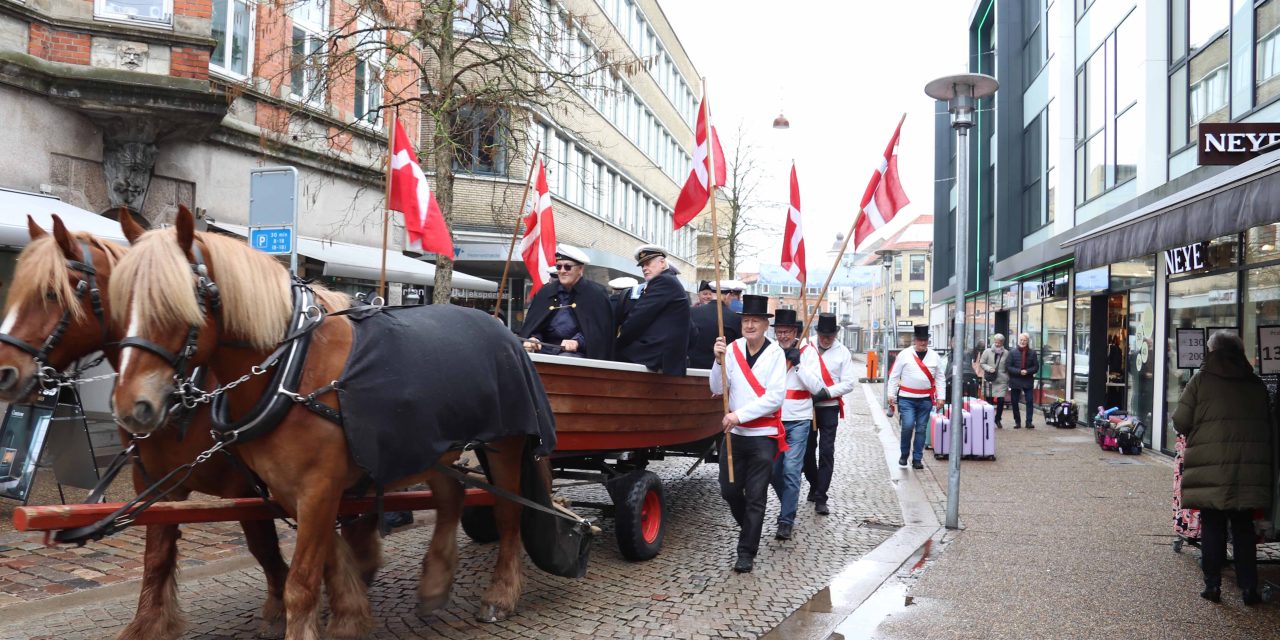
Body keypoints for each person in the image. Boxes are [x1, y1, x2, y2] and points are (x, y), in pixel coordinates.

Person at [1172, 331, 1273, 605]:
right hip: (1248, 470)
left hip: (1211, 469)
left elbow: (1181, 421)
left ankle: (1213, 586)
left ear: (1212, 351)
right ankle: (1249, 588)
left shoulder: (1200, 380)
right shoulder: (1255, 383)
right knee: (1243, 527)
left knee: (1213, 526)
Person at [710, 294, 786, 573]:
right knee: (729, 490)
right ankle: (750, 528)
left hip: (763, 437)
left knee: (756, 496)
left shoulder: (776, 354)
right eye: (745, 320)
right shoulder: (731, 349)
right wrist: (718, 362)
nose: (749, 325)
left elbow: (776, 397)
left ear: (766, 325)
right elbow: (717, 388)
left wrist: (738, 414)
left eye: (755, 320)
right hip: (735, 434)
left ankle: (746, 552)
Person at [767, 309, 823, 539]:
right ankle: (789, 504)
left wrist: (798, 365)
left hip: (799, 420)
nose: (782, 336)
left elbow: (816, 387)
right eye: (779, 331)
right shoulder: (770, 352)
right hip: (773, 419)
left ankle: (786, 520)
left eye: (786, 331)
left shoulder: (808, 353)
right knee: (773, 472)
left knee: (791, 470)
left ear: (795, 332)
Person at [802, 313, 856, 515]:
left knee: (826, 452)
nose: (826, 338)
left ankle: (821, 496)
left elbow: (849, 383)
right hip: (806, 406)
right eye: (823, 335)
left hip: (829, 407)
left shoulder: (843, 353)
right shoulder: (806, 348)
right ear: (817, 333)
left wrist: (826, 392)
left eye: (830, 335)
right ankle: (814, 483)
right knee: (806, 452)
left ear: (835, 334)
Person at [519, 245, 615, 359]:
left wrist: (577, 341)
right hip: (545, 351)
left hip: (579, 355)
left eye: (567, 267)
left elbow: (600, 332)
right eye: (558, 267)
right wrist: (534, 338)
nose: (562, 271)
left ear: (580, 269)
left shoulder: (596, 294)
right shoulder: (545, 292)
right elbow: (535, 325)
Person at [616, 244, 691, 375]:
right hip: (662, 355)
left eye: (648, 263)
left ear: (662, 263)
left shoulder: (663, 281)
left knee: (612, 355)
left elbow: (638, 317)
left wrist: (619, 341)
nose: (644, 268)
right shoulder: (669, 281)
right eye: (642, 265)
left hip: (658, 355)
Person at [886, 325, 946, 469]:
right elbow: (894, 376)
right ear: (915, 340)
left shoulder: (934, 356)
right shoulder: (904, 354)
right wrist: (891, 394)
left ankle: (917, 459)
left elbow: (940, 378)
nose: (923, 343)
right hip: (907, 398)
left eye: (925, 340)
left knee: (921, 429)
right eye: (920, 340)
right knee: (907, 425)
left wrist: (941, 397)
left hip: (925, 399)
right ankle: (904, 454)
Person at [688, 281, 743, 369]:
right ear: (728, 296)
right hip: (720, 369)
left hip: (692, 369)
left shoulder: (692, 312)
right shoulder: (735, 318)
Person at [1006, 332, 1038, 428]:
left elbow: (1036, 367)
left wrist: (1027, 371)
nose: (1023, 342)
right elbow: (1008, 366)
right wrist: (1019, 371)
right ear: (1018, 340)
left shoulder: (1032, 353)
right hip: (1015, 380)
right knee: (1014, 402)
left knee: (1029, 401)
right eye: (1021, 340)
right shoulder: (1012, 352)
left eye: (1025, 340)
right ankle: (1017, 422)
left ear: (1028, 341)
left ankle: (1029, 422)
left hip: (1027, 380)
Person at [980, 334, 1011, 428]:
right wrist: (989, 368)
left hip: (1002, 380)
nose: (997, 344)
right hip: (990, 379)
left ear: (1002, 342)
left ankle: (998, 419)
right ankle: (989, 418)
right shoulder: (987, 351)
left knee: (1001, 400)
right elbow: (982, 363)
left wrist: (1008, 377)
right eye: (996, 342)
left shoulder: (1006, 353)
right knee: (989, 400)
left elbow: (1008, 366)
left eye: (999, 342)